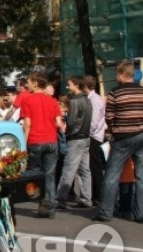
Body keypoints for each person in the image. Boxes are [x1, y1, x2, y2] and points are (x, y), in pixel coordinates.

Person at [94, 60, 143, 222]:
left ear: (122, 74)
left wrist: (114, 130)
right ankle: (140, 213)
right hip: (141, 136)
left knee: (112, 175)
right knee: (141, 176)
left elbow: (109, 117)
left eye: (116, 73)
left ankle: (105, 212)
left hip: (123, 138)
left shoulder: (115, 93)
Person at [21, 71, 63, 218]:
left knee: (35, 175)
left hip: (35, 140)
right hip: (52, 141)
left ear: (36, 83)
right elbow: (59, 123)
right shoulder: (53, 101)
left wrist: (22, 144)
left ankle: (40, 204)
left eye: (29, 82)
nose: (27, 85)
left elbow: (27, 124)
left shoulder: (27, 100)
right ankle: (50, 208)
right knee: (50, 176)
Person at [56, 75, 93, 209]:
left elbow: (71, 121)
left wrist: (67, 130)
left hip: (76, 137)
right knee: (85, 170)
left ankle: (60, 199)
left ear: (76, 85)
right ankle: (86, 198)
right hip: (86, 136)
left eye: (69, 84)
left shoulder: (75, 101)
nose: (67, 87)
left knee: (68, 170)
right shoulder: (87, 99)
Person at [84, 75, 107, 205]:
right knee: (93, 166)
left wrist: (89, 132)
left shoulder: (94, 99)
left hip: (94, 136)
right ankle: (96, 194)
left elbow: (94, 119)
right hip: (96, 134)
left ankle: (99, 194)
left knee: (95, 166)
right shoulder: (94, 98)